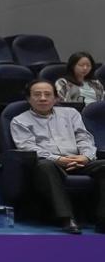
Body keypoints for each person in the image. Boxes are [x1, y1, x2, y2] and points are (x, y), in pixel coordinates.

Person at [10, 80, 105, 234]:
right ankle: (67, 218)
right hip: (50, 163)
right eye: (37, 94)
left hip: (78, 160)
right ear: (28, 98)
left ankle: (102, 220)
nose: (43, 98)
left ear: (56, 98)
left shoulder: (71, 114)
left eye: (47, 94)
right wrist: (57, 159)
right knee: (44, 165)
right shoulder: (20, 121)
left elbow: (84, 138)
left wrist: (86, 157)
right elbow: (28, 147)